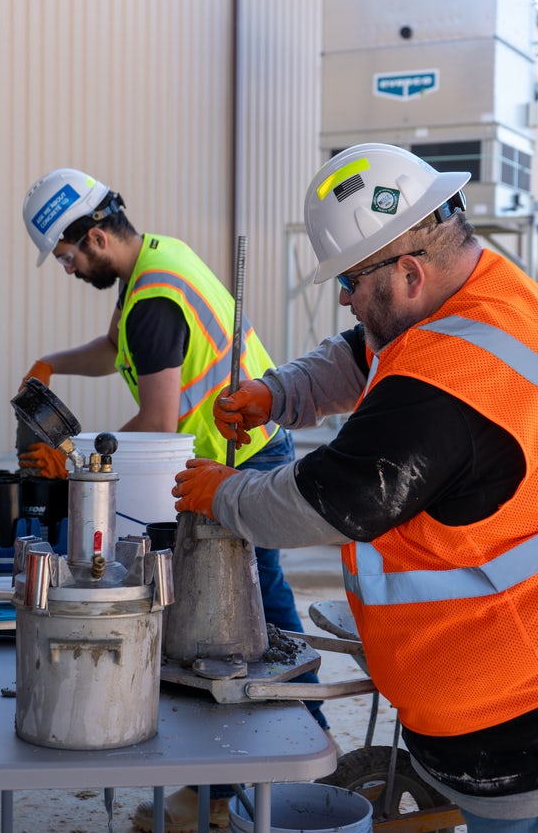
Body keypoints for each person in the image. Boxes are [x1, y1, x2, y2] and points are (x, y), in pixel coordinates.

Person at [173, 142, 538, 833]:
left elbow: (329, 501)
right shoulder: (482, 292)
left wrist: (220, 493)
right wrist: (275, 394)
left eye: (350, 281)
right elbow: (364, 351)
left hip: (504, 705)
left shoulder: (448, 386)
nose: (344, 297)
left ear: (406, 271)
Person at [19, 167, 330, 833]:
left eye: (70, 255)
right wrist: (52, 363)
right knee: (249, 614)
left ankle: (275, 768)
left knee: (233, 620)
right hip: (234, 454)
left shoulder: (154, 303)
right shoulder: (157, 266)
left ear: (96, 236)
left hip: (236, 461)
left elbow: (159, 422)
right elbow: (115, 349)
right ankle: (253, 770)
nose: (69, 269)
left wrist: (76, 466)